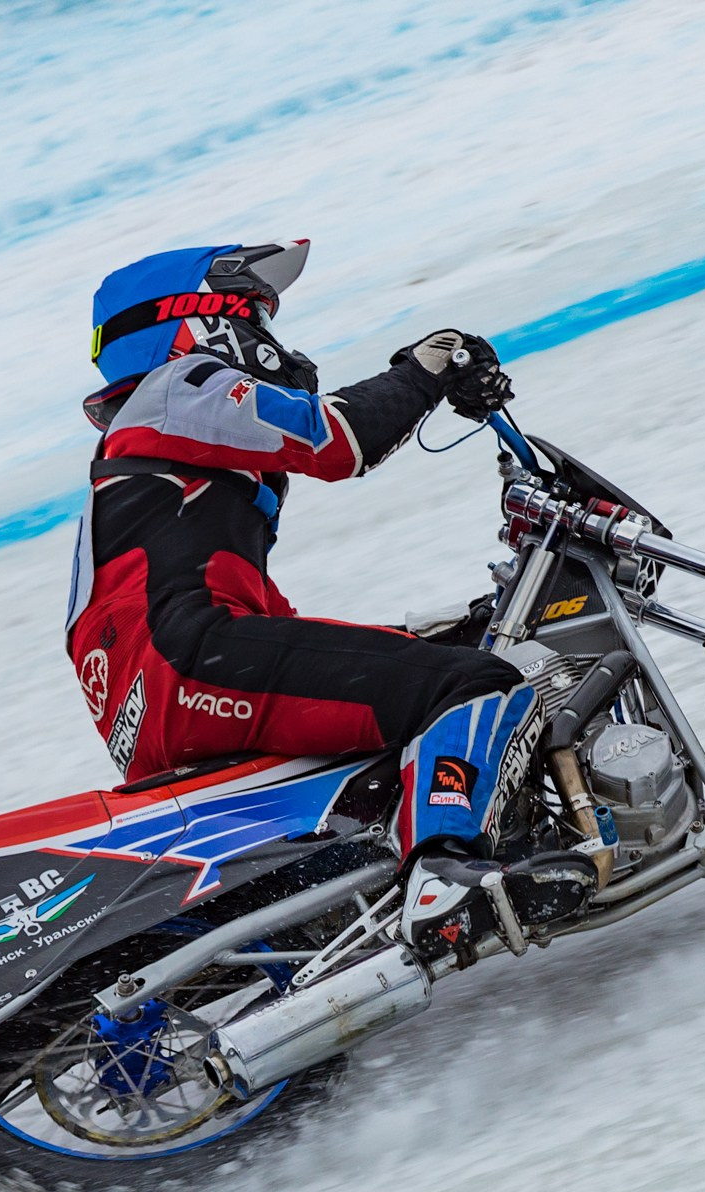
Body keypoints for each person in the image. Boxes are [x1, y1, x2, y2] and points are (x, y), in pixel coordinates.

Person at [65, 239, 589, 961]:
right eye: (254, 314)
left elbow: (272, 632)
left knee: (438, 668)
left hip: (169, 694)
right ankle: (445, 874)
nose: (268, 336)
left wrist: (428, 632)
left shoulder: (152, 468)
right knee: (473, 687)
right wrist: (428, 365)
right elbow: (341, 440)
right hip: (193, 662)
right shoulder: (176, 388)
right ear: (198, 319)